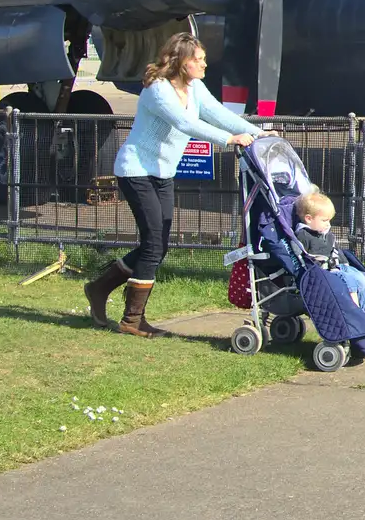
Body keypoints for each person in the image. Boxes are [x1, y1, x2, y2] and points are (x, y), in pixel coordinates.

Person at [84, 33, 267, 337]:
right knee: (154, 244)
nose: (204, 63)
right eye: (198, 59)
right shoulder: (158, 90)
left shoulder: (194, 88)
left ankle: (99, 287)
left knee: (157, 245)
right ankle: (132, 320)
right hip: (136, 171)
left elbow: (218, 113)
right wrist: (228, 140)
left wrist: (258, 133)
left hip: (161, 173)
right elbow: (185, 123)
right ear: (182, 61)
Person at [292, 192, 365, 314]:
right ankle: (356, 312)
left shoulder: (327, 234)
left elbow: (336, 250)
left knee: (363, 276)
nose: (328, 224)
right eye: (324, 220)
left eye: (329, 220)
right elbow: (301, 256)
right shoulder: (303, 235)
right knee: (349, 280)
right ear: (308, 219)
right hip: (323, 270)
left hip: (338, 266)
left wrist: (345, 264)